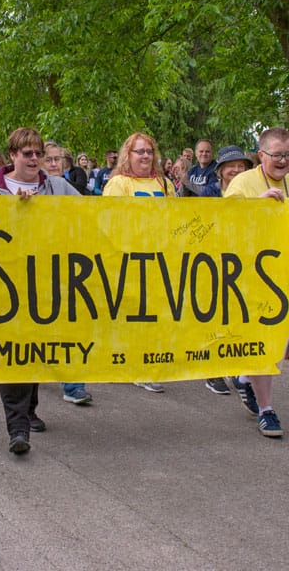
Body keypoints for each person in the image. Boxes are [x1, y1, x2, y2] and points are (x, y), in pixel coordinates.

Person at [0, 127, 83, 454]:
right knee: (12, 352)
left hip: (45, 282)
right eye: (27, 153)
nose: (35, 159)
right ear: (13, 156)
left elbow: (89, 216)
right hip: (5, 286)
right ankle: (17, 428)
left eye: (38, 153)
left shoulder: (56, 187)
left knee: (36, 347)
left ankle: (29, 408)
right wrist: (13, 209)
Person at [224, 128, 289, 437]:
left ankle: (244, 377)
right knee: (265, 347)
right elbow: (224, 224)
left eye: (288, 155)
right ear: (261, 155)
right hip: (257, 282)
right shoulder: (243, 184)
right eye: (277, 155)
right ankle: (267, 410)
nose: (283, 161)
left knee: (286, 348)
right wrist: (258, 205)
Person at [104, 132, 177, 392]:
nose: (146, 156)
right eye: (139, 151)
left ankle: (147, 361)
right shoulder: (119, 184)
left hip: (159, 255)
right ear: (128, 155)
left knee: (154, 311)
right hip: (129, 256)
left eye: (149, 151)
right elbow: (109, 222)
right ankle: (133, 364)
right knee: (132, 312)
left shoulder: (164, 184)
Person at [200, 145, 254, 395]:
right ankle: (213, 371)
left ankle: (232, 364)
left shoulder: (252, 193)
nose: (236, 170)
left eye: (241, 166)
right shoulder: (209, 192)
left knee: (236, 314)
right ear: (220, 170)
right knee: (213, 314)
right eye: (231, 165)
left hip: (243, 261)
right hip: (211, 260)